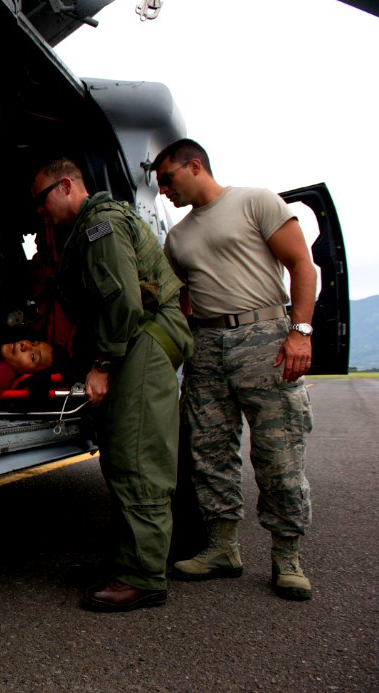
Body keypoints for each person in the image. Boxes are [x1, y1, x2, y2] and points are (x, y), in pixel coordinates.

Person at [152, 139, 316, 601]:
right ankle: (222, 548)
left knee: (279, 452)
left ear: (195, 165)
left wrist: (299, 331)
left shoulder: (255, 201)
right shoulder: (177, 238)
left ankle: (287, 557)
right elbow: (181, 300)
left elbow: (302, 265)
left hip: (265, 336)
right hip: (207, 344)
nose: (163, 189)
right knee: (209, 452)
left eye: (168, 178)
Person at [32, 158, 193, 612]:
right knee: (122, 455)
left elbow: (121, 298)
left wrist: (102, 363)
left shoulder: (99, 225)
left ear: (65, 185)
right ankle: (127, 561)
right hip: (136, 342)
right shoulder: (87, 228)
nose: (39, 212)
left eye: (41, 199)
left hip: (140, 339)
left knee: (138, 459)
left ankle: (142, 577)